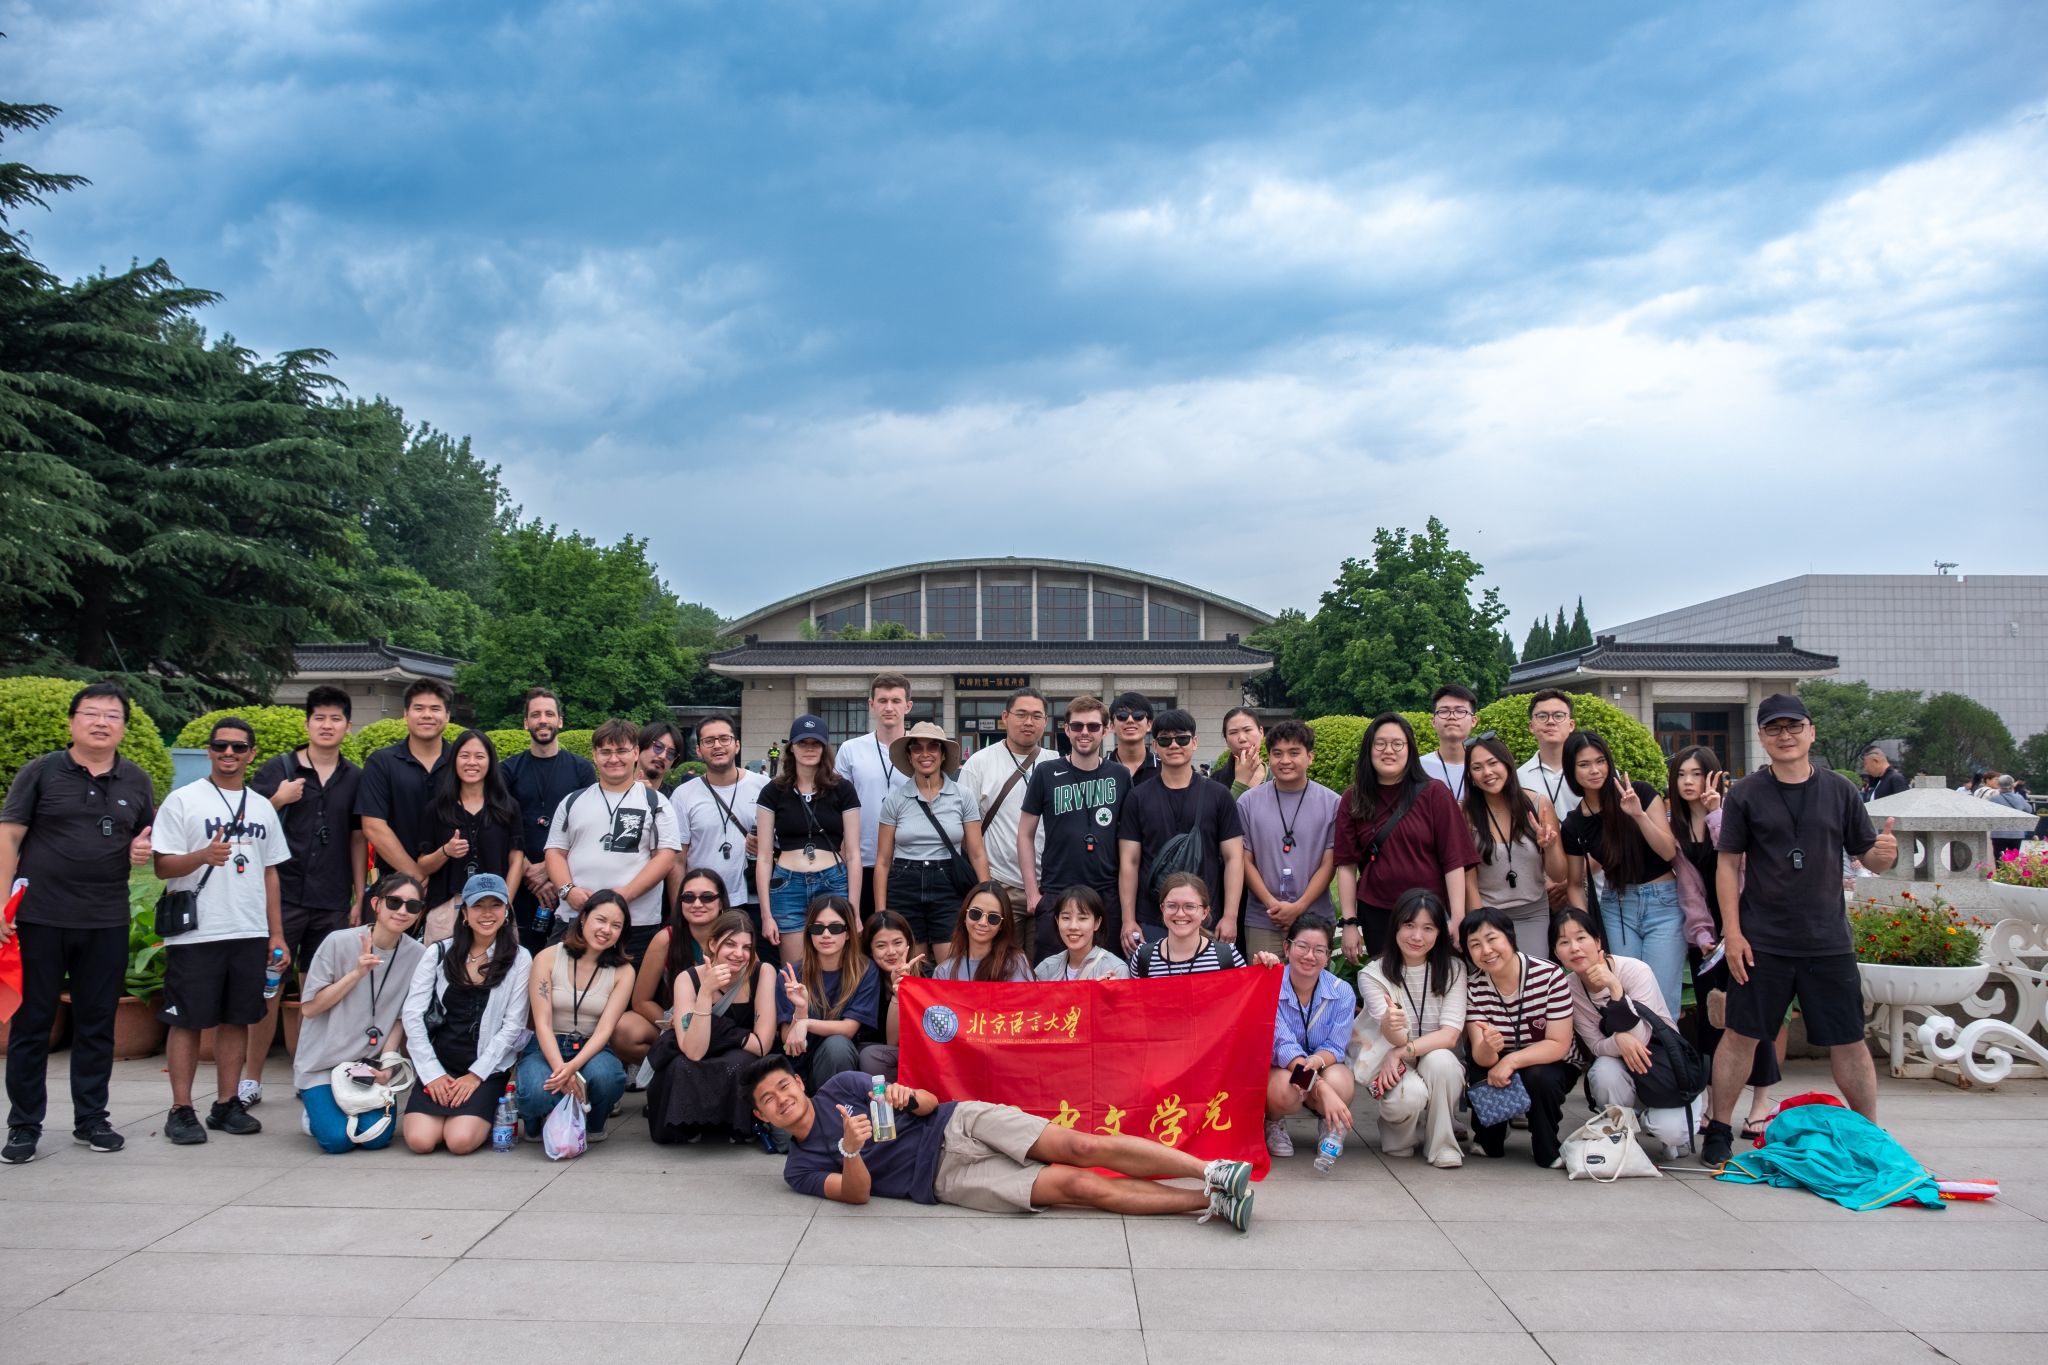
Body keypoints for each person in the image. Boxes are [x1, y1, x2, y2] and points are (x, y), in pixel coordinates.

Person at [1701, 694, 1897, 1166]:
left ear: (1811, 732)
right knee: (1741, 1035)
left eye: (1793, 726)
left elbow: (1868, 857)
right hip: (1762, 939)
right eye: (1774, 728)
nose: (1784, 735)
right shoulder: (1746, 793)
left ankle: (1871, 1134)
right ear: (1762, 737)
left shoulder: (1841, 790)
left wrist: (1884, 854)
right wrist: (1733, 933)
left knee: (1849, 1039)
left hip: (1827, 939)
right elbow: (1727, 865)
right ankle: (1719, 1129)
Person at [745, 1054, 1256, 1228]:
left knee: (1083, 1148)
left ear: (799, 1082)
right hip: (947, 1179)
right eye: (769, 1099)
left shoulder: (841, 1086)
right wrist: (851, 1151)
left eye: (784, 1086)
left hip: (958, 1122)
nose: (781, 1099)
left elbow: (929, 1101)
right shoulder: (798, 1168)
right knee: (1076, 1187)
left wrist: (908, 1096)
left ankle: (1210, 1170)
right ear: (760, 1115)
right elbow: (856, 1195)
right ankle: (1208, 1201)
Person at [1, 681, 157, 1163]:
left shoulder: (136, 779)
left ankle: (92, 1119)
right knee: (32, 1023)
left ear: (123, 727)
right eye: (91, 713)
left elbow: (144, 836)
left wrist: (140, 850)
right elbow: (9, 836)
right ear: (72, 721)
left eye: (112, 715)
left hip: (105, 919)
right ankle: (23, 1126)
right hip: (40, 918)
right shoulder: (42, 771)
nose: (101, 722)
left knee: (97, 1024)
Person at [150, 717, 291, 1145]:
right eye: (220, 746)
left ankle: (227, 1103)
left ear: (252, 754)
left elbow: (270, 872)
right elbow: (162, 866)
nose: (229, 753)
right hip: (197, 931)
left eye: (238, 747)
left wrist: (276, 933)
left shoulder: (262, 806)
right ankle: (181, 1109)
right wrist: (202, 856)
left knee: (237, 1019)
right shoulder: (183, 800)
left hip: (248, 929)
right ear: (209, 750)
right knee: (188, 1021)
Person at [244, 684, 365, 1109]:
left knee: (319, 994)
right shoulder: (278, 770)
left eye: (336, 719)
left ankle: (310, 1076)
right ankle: (251, 1078)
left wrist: (359, 895)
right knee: (269, 987)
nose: (327, 725)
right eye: (319, 718)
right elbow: (248, 824)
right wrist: (278, 799)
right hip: (281, 897)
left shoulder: (355, 778)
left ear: (348, 726)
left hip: (331, 899)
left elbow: (357, 839)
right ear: (307, 723)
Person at [1669, 745, 1780, 1142]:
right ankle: (1717, 1103)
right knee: (1713, 1017)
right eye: (1682, 774)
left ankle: (1760, 1103)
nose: (1688, 782)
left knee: (1752, 1017)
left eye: (1697, 774)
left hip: (1747, 926)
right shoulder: (1676, 826)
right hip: (1705, 937)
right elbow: (1687, 888)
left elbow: (1741, 864)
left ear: (1713, 776)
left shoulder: (1733, 815)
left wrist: (1716, 813)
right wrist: (1701, 934)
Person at [292, 872, 427, 1153]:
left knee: (375, 1139)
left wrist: (388, 1064)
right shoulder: (338, 942)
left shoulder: (417, 954)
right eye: (394, 902)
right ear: (376, 904)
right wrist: (356, 974)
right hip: (322, 1063)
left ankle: (335, 1109)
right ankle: (316, 1110)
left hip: (368, 1066)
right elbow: (310, 1008)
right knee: (336, 1141)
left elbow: (401, 1018)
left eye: (412, 906)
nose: (402, 911)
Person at [400, 873, 533, 1154]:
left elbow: (513, 1025)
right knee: (421, 1141)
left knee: (459, 1141)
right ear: (465, 913)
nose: (487, 914)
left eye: (495, 905)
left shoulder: (520, 958)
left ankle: (484, 1110)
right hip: (439, 1063)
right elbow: (413, 1015)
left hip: (486, 1067)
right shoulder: (438, 952)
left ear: (506, 911)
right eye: (478, 906)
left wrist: (475, 1075)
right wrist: (432, 1074)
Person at [1552, 908, 1695, 1158]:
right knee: (1602, 1071)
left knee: (1671, 1133)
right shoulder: (1569, 988)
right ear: (1556, 953)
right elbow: (1596, 1046)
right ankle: (1619, 1129)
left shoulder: (1635, 970)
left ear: (1598, 942)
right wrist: (1619, 1039)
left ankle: (1655, 1116)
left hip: (1662, 1062)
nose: (1574, 948)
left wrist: (1614, 987)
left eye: (1581, 938)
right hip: (1618, 1063)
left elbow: (1642, 1038)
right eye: (1564, 942)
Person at [1560, 731, 1685, 1017]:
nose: (1595, 770)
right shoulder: (1574, 823)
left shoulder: (1639, 792)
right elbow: (1575, 884)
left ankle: (1665, 1048)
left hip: (1663, 903)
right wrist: (1585, 930)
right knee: (1625, 993)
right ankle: (1634, 1046)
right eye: (1584, 764)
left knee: (1661, 996)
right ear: (1571, 770)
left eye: (1600, 761)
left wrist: (1638, 815)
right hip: (1617, 907)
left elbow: (1668, 851)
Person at [1335, 713, 1477, 962]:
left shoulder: (1434, 793)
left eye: (1397, 744)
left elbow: (1454, 860)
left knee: (1435, 980)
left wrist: (1457, 917)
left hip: (1429, 913)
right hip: (1378, 912)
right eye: (1380, 744)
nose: (1388, 750)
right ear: (1369, 750)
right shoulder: (1354, 798)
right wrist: (1349, 922)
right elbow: (1346, 865)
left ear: (1409, 749)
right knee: (1386, 982)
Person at [543, 717, 681, 965]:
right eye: (605, 752)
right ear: (594, 756)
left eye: (621, 751)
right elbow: (555, 852)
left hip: (635, 921)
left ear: (635, 753)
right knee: (559, 982)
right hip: (575, 917)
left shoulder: (656, 803)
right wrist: (567, 891)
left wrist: (626, 894)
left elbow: (666, 857)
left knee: (631, 987)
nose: (613, 758)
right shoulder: (573, 801)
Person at [1355, 887, 1468, 1168]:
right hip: (1393, 1062)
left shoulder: (1454, 970)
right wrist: (1390, 1025)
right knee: (1407, 1107)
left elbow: (1450, 1035)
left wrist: (1402, 1049)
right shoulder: (1373, 974)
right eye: (1409, 925)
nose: (1417, 936)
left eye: (1428, 928)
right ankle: (1398, 1131)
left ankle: (1442, 1143)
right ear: (1395, 926)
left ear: (1439, 932)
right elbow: (1394, 1037)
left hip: (1432, 1053)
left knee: (1444, 1064)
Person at [1118, 708, 1246, 953]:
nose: (1174, 745)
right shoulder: (1137, 797)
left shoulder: (1218, 795)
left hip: (1206, 916)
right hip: (1151, 919)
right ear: (1155, 746)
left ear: (1194, 742)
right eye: (1165, 740)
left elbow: (1234, 858)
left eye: (1182, 739)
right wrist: (1128, 919)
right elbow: (1129, 862)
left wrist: (1230, 916)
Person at [1461, 905, 1581, 1168]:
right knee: (1489, 1148)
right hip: (1497, 1061)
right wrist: (1489, 1047)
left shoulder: (1549, 975)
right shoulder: (1473, 987)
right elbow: (1481, 1057)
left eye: (1492, 939)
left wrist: (1510, 1061)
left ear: (1510, 937)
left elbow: (1559, 1044)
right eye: (1475, 945)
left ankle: (1546, 1144)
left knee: (1537, 1075)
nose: (1486, 951)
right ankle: (1493, 1134)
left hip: (1550, 1061)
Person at [646, 910, 777, 1145]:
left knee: (740, 1063)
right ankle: (689, 1126)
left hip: (739, 1056)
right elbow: (693, 1050)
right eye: (730, 944)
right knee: (682, 1065)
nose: (739, 954)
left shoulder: (762, 972)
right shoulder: (687, 979)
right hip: (699, 1051)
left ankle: (734, 1126)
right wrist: (705, 992)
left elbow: (761, 1045)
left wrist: (719, 1030)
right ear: (713, 944)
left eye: (746, 947)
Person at [1018, 695, 1131, 961]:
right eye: (1077, 726)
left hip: (1105, 892)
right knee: (1051, 972)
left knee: (1106, 972)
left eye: (1093, 726)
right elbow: (1024, 833)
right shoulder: (1046, 772)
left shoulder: (1120, 775)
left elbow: (1128, 841)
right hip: (1057, 890)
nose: (1084, 732)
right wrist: (1033, 894)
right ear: (1066, 729)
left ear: (1106, 730)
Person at [515, 889, 633, 1143]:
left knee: (606, 1077)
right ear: (584, 918)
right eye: (600, 920)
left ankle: (594, 1124)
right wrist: (562, 1070)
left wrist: (573, 1067)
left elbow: (604, 1030)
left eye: (616, 925)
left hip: (591, 1046)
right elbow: (542, 1023)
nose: (606, 930)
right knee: (536, 1091)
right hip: (546, 1043)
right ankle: (536, 1122)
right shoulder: (548, 957)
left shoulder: (624, 971)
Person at [877, 722, 989, 961]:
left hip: (948, 881)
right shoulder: (895, 799)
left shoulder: (963, 796)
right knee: (911, 966)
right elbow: (883, 860)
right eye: (917, 748)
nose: (925, 754)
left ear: (943, 754)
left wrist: (987, 895)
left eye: (933, 747)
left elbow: (977, 853)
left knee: (951, 964)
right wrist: (881, 912)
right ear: (909, 756)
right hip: (904, 883)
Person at [755, 715, 861, 963]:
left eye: (816, 743)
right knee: (796, 969)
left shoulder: (842, 789)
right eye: (803, 743)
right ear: (791, 747)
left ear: (824, 748)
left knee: (833, 964)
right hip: (787, 885)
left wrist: (854, 911)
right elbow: (764, 856)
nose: (809, 749)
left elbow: (854, 854)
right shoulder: (773, 791)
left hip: (832, 881)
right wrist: (766, 915)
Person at [1235, 719, 1340, 960]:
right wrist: (1271, 904)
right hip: (1263, 918)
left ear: (1310, 757)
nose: (1285, 761)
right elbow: (1244, 860)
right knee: (1265, 981)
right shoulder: (1248, 802)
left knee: (1310, 981)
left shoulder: (1332, 803)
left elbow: (1330, 863)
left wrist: (1299, 907)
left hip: (1315, 917)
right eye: (1277, 753)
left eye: (1294, 753)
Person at [500, 687, 595, 953]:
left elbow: (589, 828)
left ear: (560, 721)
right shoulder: (507, 770)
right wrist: (528, 870)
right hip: (519, 879)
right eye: (536, 715)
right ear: (526, 722)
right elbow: (500, 825)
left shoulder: (582, 770)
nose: (543, 720)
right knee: (519, 955)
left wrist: (552, 873)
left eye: (549, 714)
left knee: (566, 957)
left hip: (567, 883)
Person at [956, 687, 1055, 929]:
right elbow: (965, 831)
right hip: (999, 885)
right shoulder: (978, 764)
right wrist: (986, 884)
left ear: (1045, 721)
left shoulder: (1056, 762)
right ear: (1005, 717)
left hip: (1049, 886)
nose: (1028, 722)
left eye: (1036, 716)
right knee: (1002, 954)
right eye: (1021, 714)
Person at [1461, 734, 1565, 957]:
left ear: (1507, 763)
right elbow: (1468, 879)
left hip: (1532, 912)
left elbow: (1558, 874)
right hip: (1487, 911)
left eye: (1493, 763)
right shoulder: (1465, 813)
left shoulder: (1538, 804)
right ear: (1470, 775)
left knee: (1532, 972)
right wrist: (1480, 924)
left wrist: (1550, 847)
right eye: (1477, 767)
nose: (1487, 772)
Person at [1263, 914, 1356, 1162]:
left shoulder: (1342, 992)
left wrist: (1317, 1061)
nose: (1309, 956)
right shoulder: (1270, 986)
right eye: (1302, 946)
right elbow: (1283, 1046)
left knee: (1341, 1082)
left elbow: (1336, 1046)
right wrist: (1321, 1087)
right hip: (1283, 1068)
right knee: (1283, 1090)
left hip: (1322, 1064)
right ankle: (1273, 1121)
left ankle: (1329, 1123)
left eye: (1319, 950)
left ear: (1328, 956)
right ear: (1287, 947)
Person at [617, 866, 731, 1068]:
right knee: (623, 1029)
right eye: (688, 897)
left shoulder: (737, 938)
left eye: (707, 897)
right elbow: (641, 1001)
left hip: (725, 1025)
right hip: (679, 1021)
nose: (697, 904)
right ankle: (669, 1071)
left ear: (721, 902)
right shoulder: (665, 939)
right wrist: (673, 1020)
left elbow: (752, 990)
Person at [671, 713, 768, 932]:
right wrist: (680, 909)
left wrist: (765, 846)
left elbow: (782, 843)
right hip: (704, 902)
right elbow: (678, 860)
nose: (717, 745)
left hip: (754, 899)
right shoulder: (683, 795)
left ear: (737, 745)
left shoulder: (763, 787)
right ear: (698, 750)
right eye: (709, 741)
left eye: (724, 739)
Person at [776, 895, 881, 1092]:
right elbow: (788, 1041)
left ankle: (832, 1108)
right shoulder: (791, 975)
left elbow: (849, 1029)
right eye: (818, 928)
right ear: (809, 933)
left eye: (835, 928)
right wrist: (800, 1011)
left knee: (837, 1046)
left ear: (848, 933)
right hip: (799, 1064)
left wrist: (805, 1023)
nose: (826, 934)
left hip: (840, 1060)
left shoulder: (866, 970)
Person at [832, 673, 913, 924]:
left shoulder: (920, 750)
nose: (889, 707)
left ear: (908, 706)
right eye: (882, 700)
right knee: (862, 932)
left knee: (903, 937)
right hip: (860, 861)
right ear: (871, 704)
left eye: (896, 701)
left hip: (908, 862)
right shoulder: (851, 750)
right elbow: (835, 805)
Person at [355, 678, 454, 883]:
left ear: (447, 716)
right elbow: (373, 825)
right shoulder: (382, 762)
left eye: (435, 708)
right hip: (395, 882)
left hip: (455, 882)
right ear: (406, 714)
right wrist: (415, 876)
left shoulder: (461, 762)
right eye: (419, 708)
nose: (427, 715)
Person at [420, 728, 525, 921]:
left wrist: (505, 903)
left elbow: (516, 861)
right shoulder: (437, 809)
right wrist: (445, 851)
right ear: (454, 760)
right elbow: (423, 866)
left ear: (490, 762)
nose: (471, 762)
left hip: (495, 904)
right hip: (448, 906)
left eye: (479, 756)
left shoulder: (508, 807)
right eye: (464, 756)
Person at [1130, 873, 1281, 977]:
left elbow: (1246, 1005)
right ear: (1162, 909)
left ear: (1204, 912)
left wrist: (1263, 971)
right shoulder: (1143, 957)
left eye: (1190, 906)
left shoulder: (1228, 957)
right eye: (1172, 906)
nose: (1180, 914)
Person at [1516, 689, 1582, 911]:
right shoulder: (1517, 778)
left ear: (1571, 724)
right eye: (1542, 716)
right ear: (1531, 726)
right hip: (1542, 889)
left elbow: (1609, 831)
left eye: (1558, 715)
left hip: (1593, 882)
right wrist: (1552, 882)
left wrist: (1570, 880)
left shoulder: (1594, 772)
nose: (1550, 722)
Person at [857, 910, 924, 1080]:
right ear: (870, 950)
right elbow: (892, 1043)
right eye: (881, 946)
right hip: (886, 1058)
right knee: (869, 1056)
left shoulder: (927, 974)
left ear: (908, 943)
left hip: (923, 1054)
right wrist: (897, 994)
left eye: (897, 943)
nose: (891, 951)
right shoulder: (865, 981)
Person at [931, 882, 1034, 982]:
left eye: (993, 917)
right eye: (975, 913)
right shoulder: (944, 971)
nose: (982, 922)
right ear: (964, 916)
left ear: (1002, 925)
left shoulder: (1015, 963)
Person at [1033, 886, 1130, 981]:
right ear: (1057, 921)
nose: (1073, 926)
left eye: (1082, 918)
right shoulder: (1046, 969)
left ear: (1097, 923)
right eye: (1066, 918)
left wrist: (1113, 991)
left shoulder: (1115, 969)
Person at [1419, 684, 1478, 799]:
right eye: (1444, 711)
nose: (1452, 716)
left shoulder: (1486, 768)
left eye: (1460, 711)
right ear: (1433, 721)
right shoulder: (1418, 768)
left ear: (1473, 721)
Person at [1106, 691, 1161, 787]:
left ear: (1149, 725)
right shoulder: (1099, 770)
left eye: (1138, 715)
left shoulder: (1165, 769)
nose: (1130, 720)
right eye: (1122, 715)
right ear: (1112, 726)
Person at [1211, 707, 1267, 796]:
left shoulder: (1278, 776)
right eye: (1233, 732)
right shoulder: (1215, 781)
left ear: (1261, 732)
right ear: (1226, 740)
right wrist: (1239, 784)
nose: (1242, 739)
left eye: (1247, 730)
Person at [638, 719, 686, 794]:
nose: (663, 756)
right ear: (638, 749)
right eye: (658, 747)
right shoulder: (618, 789)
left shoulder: (675, 798)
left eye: (671, 753)